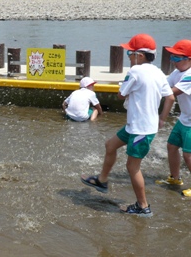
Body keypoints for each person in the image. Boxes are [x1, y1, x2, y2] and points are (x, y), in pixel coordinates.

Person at [80, 33, 175, 217]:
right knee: (110, 145)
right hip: (137, 126)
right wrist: (162, 118)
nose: (129, 57)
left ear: (139, 55)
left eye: (129, 53)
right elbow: (170, 97)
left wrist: (124, 85)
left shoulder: (135, 72)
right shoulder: (159, 72)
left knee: (132, 167)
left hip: (141, 129)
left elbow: (121, 95)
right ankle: (102, 180)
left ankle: (143, 206)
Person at [155, 39, 191, 197]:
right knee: (171, 146)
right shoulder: (178, 72)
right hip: (184, 118)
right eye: (172, 56)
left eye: (177, 58)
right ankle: (175, 178)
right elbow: (162, 85)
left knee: (188, 155)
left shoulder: (190, 76)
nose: (172, 60)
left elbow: (171, 93)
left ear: (189, 59)